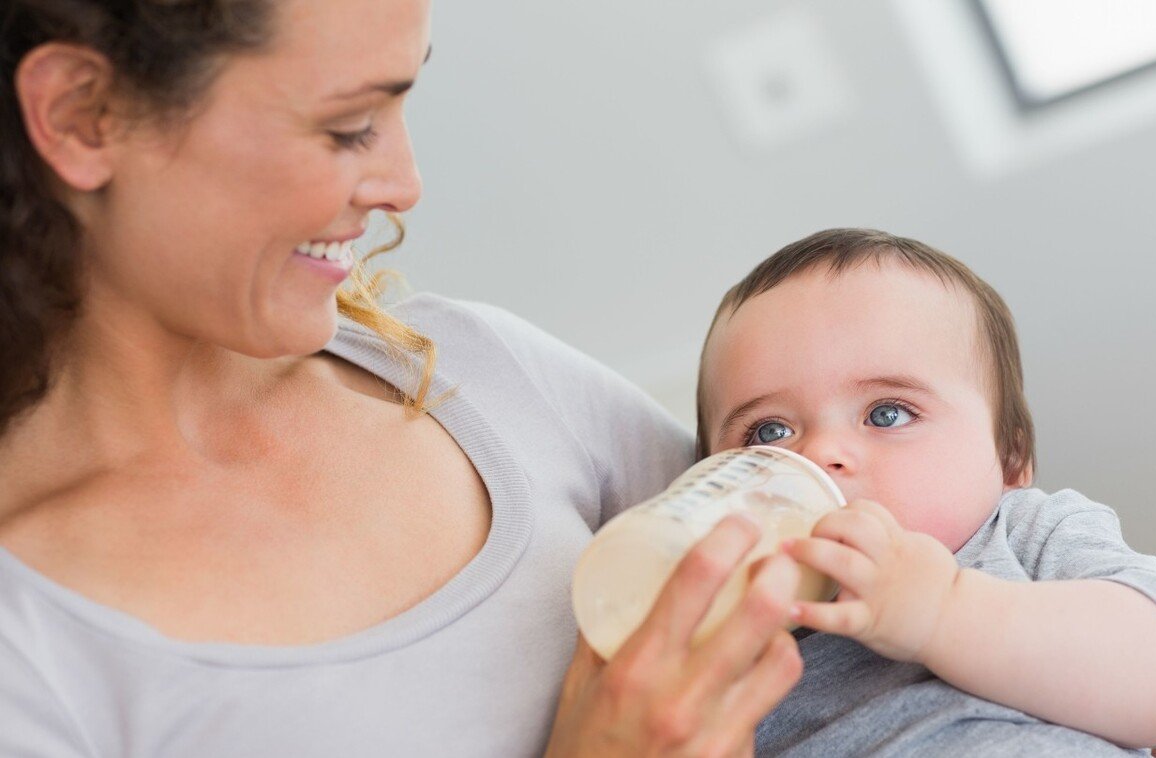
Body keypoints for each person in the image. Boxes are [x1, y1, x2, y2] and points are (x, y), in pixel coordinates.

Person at [0, 1, 807, 755]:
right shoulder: (29, 654)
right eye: (350, 126)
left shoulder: (482, 368)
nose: (403, 185)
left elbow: (875, 579)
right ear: (82, 115)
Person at [696, 228, 1156, 756]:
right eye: (768, 433)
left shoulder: (1030, 532)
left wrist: (942, 612)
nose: (817, 454)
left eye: (887, 414)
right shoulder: (729, 627)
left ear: (1009, 457)